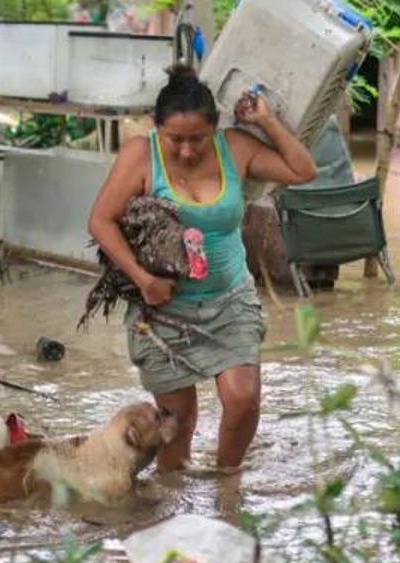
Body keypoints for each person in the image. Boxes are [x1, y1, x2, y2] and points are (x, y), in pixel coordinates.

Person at [87, 65, 317, 473]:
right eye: (176, 139)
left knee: (243, 400)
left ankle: (227, 487)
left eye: (198, 138)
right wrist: (144, 281)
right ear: (156, 127)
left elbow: (303, 170)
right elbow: (101, 221)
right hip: (163, 313)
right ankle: (174, 510)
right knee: (179, 426)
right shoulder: (141, 155)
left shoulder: (236, 147)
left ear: (215, 127)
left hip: (230, 300)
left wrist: (266, 120)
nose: (188, 151)